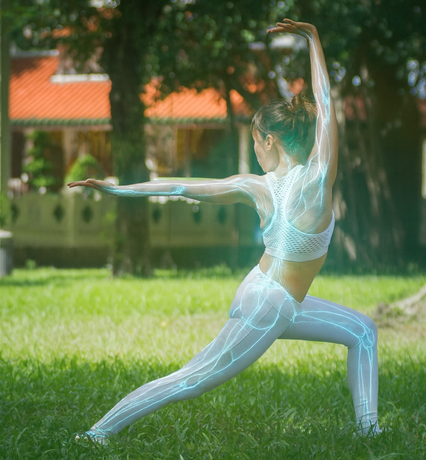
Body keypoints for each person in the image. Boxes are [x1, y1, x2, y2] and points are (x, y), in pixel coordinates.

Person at [68, 19, 381, 445]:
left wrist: (313, 39)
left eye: (255, 141)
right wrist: (313, 40)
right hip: (267, 303)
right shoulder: (313, 179)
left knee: (362, 331)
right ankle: (96, 434)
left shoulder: (260, 185)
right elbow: (325, 107)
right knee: (192, 378)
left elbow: (178, 185)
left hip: (279, 298)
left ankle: (369, 430)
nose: (254, 149)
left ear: (269, 140)